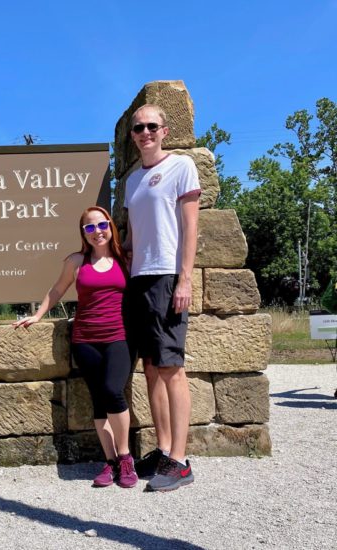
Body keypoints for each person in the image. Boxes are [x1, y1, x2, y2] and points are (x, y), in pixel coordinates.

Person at [14, 206, 137, 489]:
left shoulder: (125, 259)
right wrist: (37, 315)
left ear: (110, 225)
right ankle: (111, 462)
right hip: (85, 340)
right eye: (89, 228)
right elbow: (57, 290)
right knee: (99, 400)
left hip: (119, 338)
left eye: (101, 225)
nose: (97, 232)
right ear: (83, 233)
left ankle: (126, 457)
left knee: (113, 392)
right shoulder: (76, 261)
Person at [123, 103, 200, 492]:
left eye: (152, 126)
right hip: (138, 280)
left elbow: (190, 229)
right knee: (151, 367)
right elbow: (135, 235)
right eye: (139, 127)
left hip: (167, 278)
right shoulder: (132, 180)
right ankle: (164, 447)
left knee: (171, 368)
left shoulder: (181, 167)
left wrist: (185, 280)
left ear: (165, 130)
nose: (145, 132)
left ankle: (181, 461)